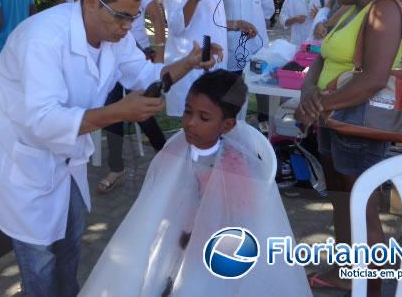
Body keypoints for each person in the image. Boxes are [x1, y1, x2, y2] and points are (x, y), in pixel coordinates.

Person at [0, 0, 221, 297]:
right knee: (40, 262)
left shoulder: (115, 36)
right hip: (21, 154)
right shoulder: (43, 38)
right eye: (122, 16)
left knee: (70, 239)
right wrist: (118, 111)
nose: (128, 27)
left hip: (65, 151)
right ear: (91, 2)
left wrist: (190, 62)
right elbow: (42, 120)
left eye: (133, 17)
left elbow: (147, 77)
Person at [79, 70, 312, 297]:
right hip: (171, 242)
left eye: (204, 117)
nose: (190, 123)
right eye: (187, 112)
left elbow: (240, 224)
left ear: (228, 125)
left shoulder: (234, 170)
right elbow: (156, 195)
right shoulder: (175, 149)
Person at [295, 0, 402, 297]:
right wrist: (309, 92)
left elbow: (373, 78)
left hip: (359, 122)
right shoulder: (347, 11)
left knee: (365, 212)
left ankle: (371, 289)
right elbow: (319, 59)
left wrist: (319, 103)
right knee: (342, 201)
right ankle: (346, 271)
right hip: (333, 119)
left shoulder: (383, 10)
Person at [87, 0, 168, 194]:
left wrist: (160, 51)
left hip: (137, 53)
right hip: (112, 52)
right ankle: (117, 168)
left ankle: (168, 159)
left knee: (142, 111)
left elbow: (156, 15)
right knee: (114, 110)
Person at [164, 0, 252, 117]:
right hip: (192, 69)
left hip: (210, 65)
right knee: (195, 127)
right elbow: (176, 27)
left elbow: (209, 21)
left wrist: (235, 24)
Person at [218, 0, 272, 131]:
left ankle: (264, 119)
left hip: (257, 44)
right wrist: (236, 24)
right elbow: (218, 16)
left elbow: (268, 10)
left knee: (262, 82)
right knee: (233, 83)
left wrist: (254, 22)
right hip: (233, 43)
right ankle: (232, 122)